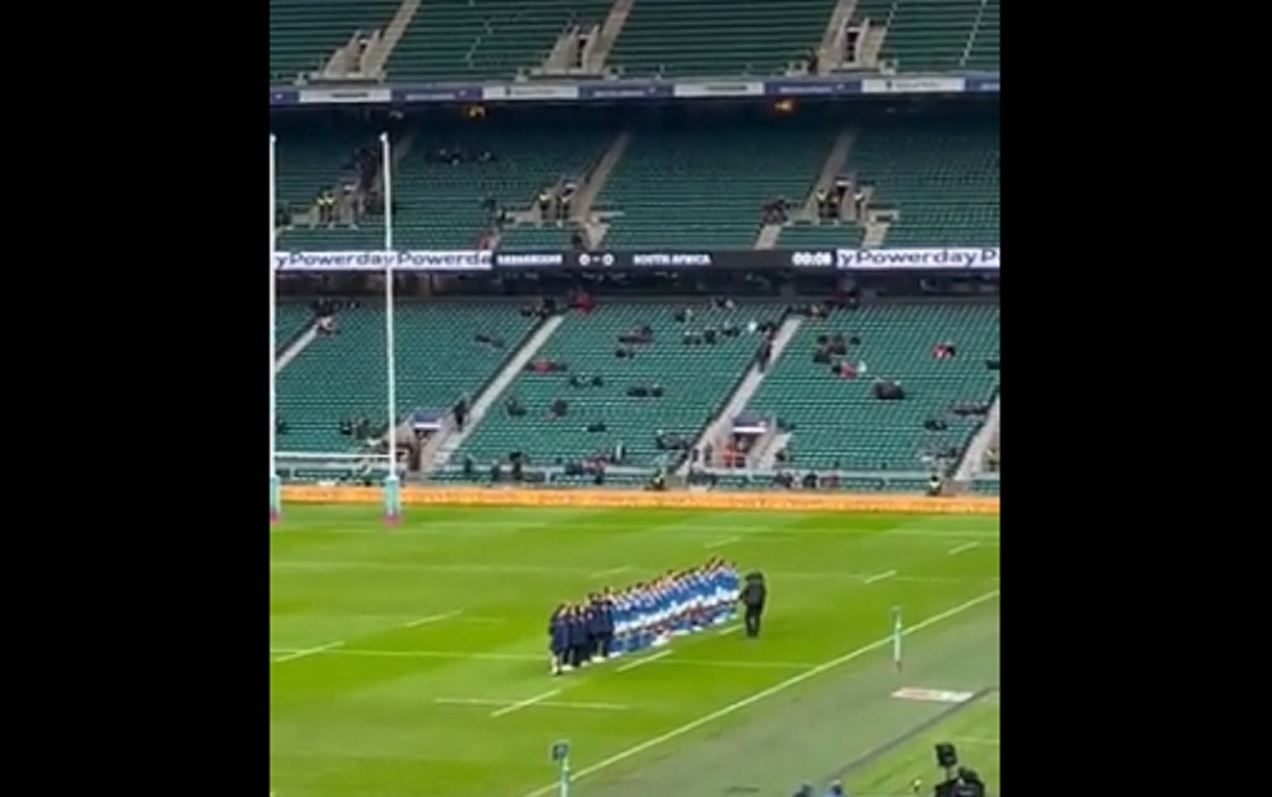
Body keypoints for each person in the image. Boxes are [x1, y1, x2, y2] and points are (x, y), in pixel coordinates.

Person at [740, 572, 767, 638]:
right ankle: (755, 632)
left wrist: (744, 600)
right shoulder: (761, 585)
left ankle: (749, 632)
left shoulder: (749, 585)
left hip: (750, 603)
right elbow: (763, 594)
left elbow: (743, 594)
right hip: (758, 603)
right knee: (757, 617)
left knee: (747, 617)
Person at [548, 605, 568, 676]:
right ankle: (554, 668)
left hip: (562, 639)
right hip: (557, 639)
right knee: (555, 655)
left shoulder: (563, 619)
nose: (565, 612)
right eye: (564, 610)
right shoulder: (555, 620)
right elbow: (550, 631)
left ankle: (559, 668)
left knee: (560, 655)